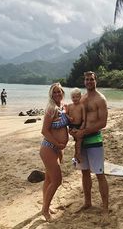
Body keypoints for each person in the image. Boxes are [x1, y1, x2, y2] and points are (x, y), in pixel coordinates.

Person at [70, 71, 109, 214]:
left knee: (99, 173)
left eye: (91, 79)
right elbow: (76, 116)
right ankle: (87, 203)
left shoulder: (100, 99)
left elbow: (103, 123)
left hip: (94, 139)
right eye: (87, 79)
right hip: (81, 140)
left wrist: (84, 132)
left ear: (95, 81)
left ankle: (105, 207)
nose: (89, 82)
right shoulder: (82, 98)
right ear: (84, 82)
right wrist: (72, 129)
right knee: (84, 173)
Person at [40, 83, 69, 221]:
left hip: (55, 149)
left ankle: (46, 205)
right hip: (48, 148)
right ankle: (45, 211)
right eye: (54, 92)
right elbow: (44, 131)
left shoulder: (62, 107)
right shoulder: (51, 109)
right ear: (51, 95)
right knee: (57, 180)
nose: (57, 94)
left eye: (59, 92)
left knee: (49, 179)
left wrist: (60, 150)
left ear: (62, 93)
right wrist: (57, 144)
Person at [66, 88, 86, 163]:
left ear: (80, 97)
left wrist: (81, 128)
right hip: (72, 126)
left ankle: (76, 155)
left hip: (79, 125)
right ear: (71, 98)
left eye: (77, 97)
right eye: (73, 97)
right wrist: (69, 118)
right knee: (79, 140)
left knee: (79, 140)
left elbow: (84, 119)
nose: (75, 99)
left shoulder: (82, 106)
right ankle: (77, 154)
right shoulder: (70, 106)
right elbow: (65, 114)